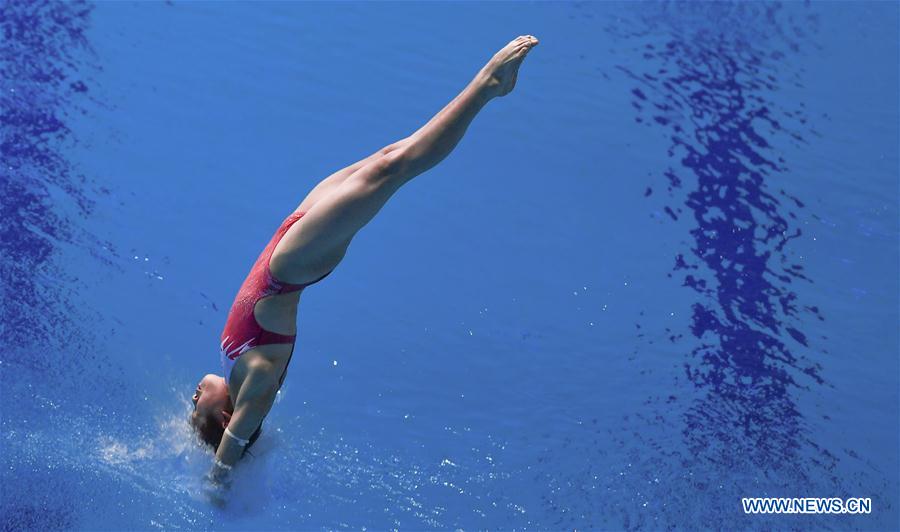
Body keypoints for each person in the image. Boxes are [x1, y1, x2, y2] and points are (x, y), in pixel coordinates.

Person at [190, 35, 539, 494]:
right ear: (224, 417)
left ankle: (486, 88)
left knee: (385, 157)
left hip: (288, 239)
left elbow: (230, 428)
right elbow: (234, 446)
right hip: (292, 267)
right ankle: (488, 86)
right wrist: (218, 479)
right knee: (393, 169)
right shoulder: (255, 390)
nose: (192, 398)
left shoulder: (236, 375)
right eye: (195, 409)